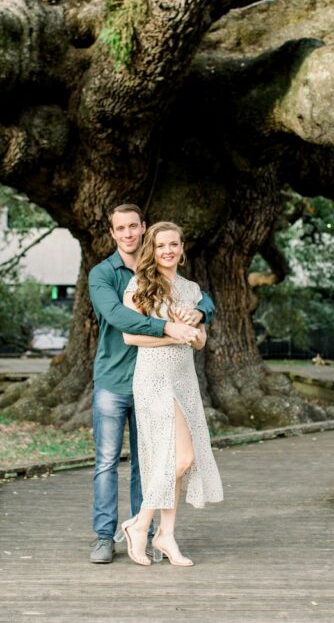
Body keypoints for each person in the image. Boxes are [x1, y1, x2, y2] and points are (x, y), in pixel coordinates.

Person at [87, 204, 215, 564]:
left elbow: (202, 305)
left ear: (143, 229)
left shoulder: (176, 278)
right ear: (112, 233)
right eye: (120, 228)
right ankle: (106, 535)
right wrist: (171, 330)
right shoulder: (106, 275)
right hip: (117, 378)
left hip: (169, 379)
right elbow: (119, 319)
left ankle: (155, 533)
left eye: (133, 226)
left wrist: (200, 313)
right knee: (107, 461)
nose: (127, 233)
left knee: (156, 461)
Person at [119, 221, 223, 567]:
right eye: (161, 245)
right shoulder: (139, 285)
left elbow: (201, 340)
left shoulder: (192, 290)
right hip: (153, 379)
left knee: (173, 459)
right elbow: (131, 337)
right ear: (152, 248)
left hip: (183, 379)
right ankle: (141, 524)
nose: (168, 251)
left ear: (182, 247)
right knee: (181, 458)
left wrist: (192, 330)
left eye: (174, 244)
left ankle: (165, 534)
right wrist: (173, 333)